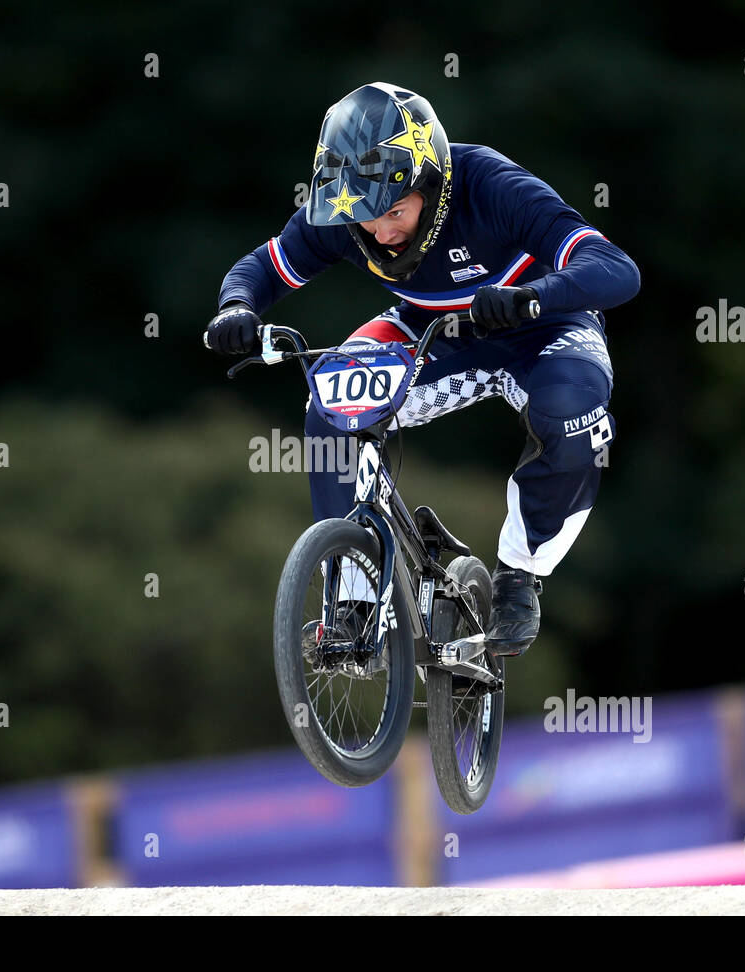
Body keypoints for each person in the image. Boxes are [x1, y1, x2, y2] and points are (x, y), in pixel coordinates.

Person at [205, 82, 640, 657]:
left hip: (544, 327)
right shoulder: (345, 210)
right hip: (433, 330)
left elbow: (616, 269)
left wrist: (533, 296)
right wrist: (237, 308)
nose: (380, 233)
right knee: (331, 402)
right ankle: (355, 600)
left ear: (430, 183)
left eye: (393, 212)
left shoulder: (490, 184)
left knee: (570, 411)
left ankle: (519, 572)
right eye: (363, 219)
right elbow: (263, 267)